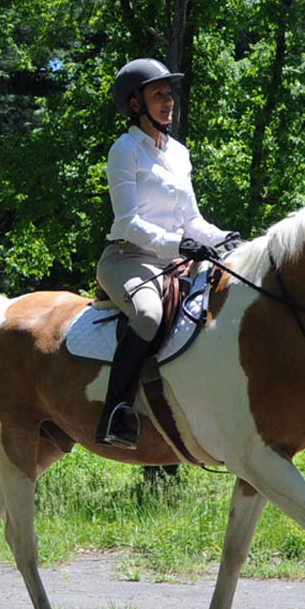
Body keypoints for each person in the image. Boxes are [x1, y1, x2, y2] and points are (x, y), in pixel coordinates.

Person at [95, 59, 240, 448]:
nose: (168, 100)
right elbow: (127, 222)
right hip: (128, 258)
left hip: (174, 258)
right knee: (148, 314)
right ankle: (114, 411)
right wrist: (179, 244)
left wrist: (226, 237)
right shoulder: (124, 150)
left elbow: (192, 219)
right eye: (158, 93)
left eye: (169, 93)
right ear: (136, 104)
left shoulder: (178, 153)